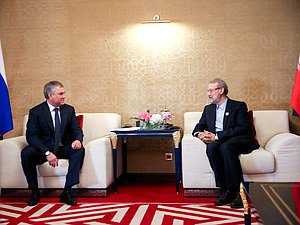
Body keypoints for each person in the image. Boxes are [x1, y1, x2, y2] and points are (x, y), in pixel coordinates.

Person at [192, 78, 254, 208]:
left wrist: (217, 136)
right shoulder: (208, 109)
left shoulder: (238, 106)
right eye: (207, 91)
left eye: (211, 90)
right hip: (218, 140)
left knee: (226, 148)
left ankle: (238, 191)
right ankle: (225, 189)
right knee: (212, 148)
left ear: (221, 90)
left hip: (238, 138)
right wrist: (200, 134)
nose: (208, 94)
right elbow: (199, 126)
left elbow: (243, 128)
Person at [21, 80, 85, 206]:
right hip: (43, 149)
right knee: (26, 153)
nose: (64, 96)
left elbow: (76, 129)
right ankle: (34, 191)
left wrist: (78, 140)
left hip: (62, 147)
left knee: (79, 150)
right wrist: (46, 152)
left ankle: (66, 192)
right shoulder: (36, 111)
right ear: (50, 95)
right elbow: (31, 136)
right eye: (61, 93)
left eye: (63, 93)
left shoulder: (69, 110)